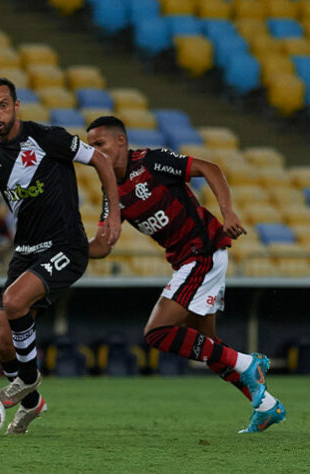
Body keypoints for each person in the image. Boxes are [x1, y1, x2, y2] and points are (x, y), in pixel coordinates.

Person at [0, 77, 122, 434]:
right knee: (1, 343)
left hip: (65, 246)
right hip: (25, 251)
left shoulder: (48, 137)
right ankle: (32, 404)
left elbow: (103, 162)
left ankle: (27, 380)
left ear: (16, 106)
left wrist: (112, 214)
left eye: (2, 105)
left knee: (14, 303)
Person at [85, 116, 282, 434]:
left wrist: (227, 210)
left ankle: (249, 363)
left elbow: (209, 168)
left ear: (120, 141)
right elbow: (103, 244)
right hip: (190, 260)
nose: (94, 152)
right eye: (90, 147)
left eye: (99, 144)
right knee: (208, 346)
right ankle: (266, 405)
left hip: (201, 253)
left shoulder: (149, 161)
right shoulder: (112, 192)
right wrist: (69, 248)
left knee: (156, 333)